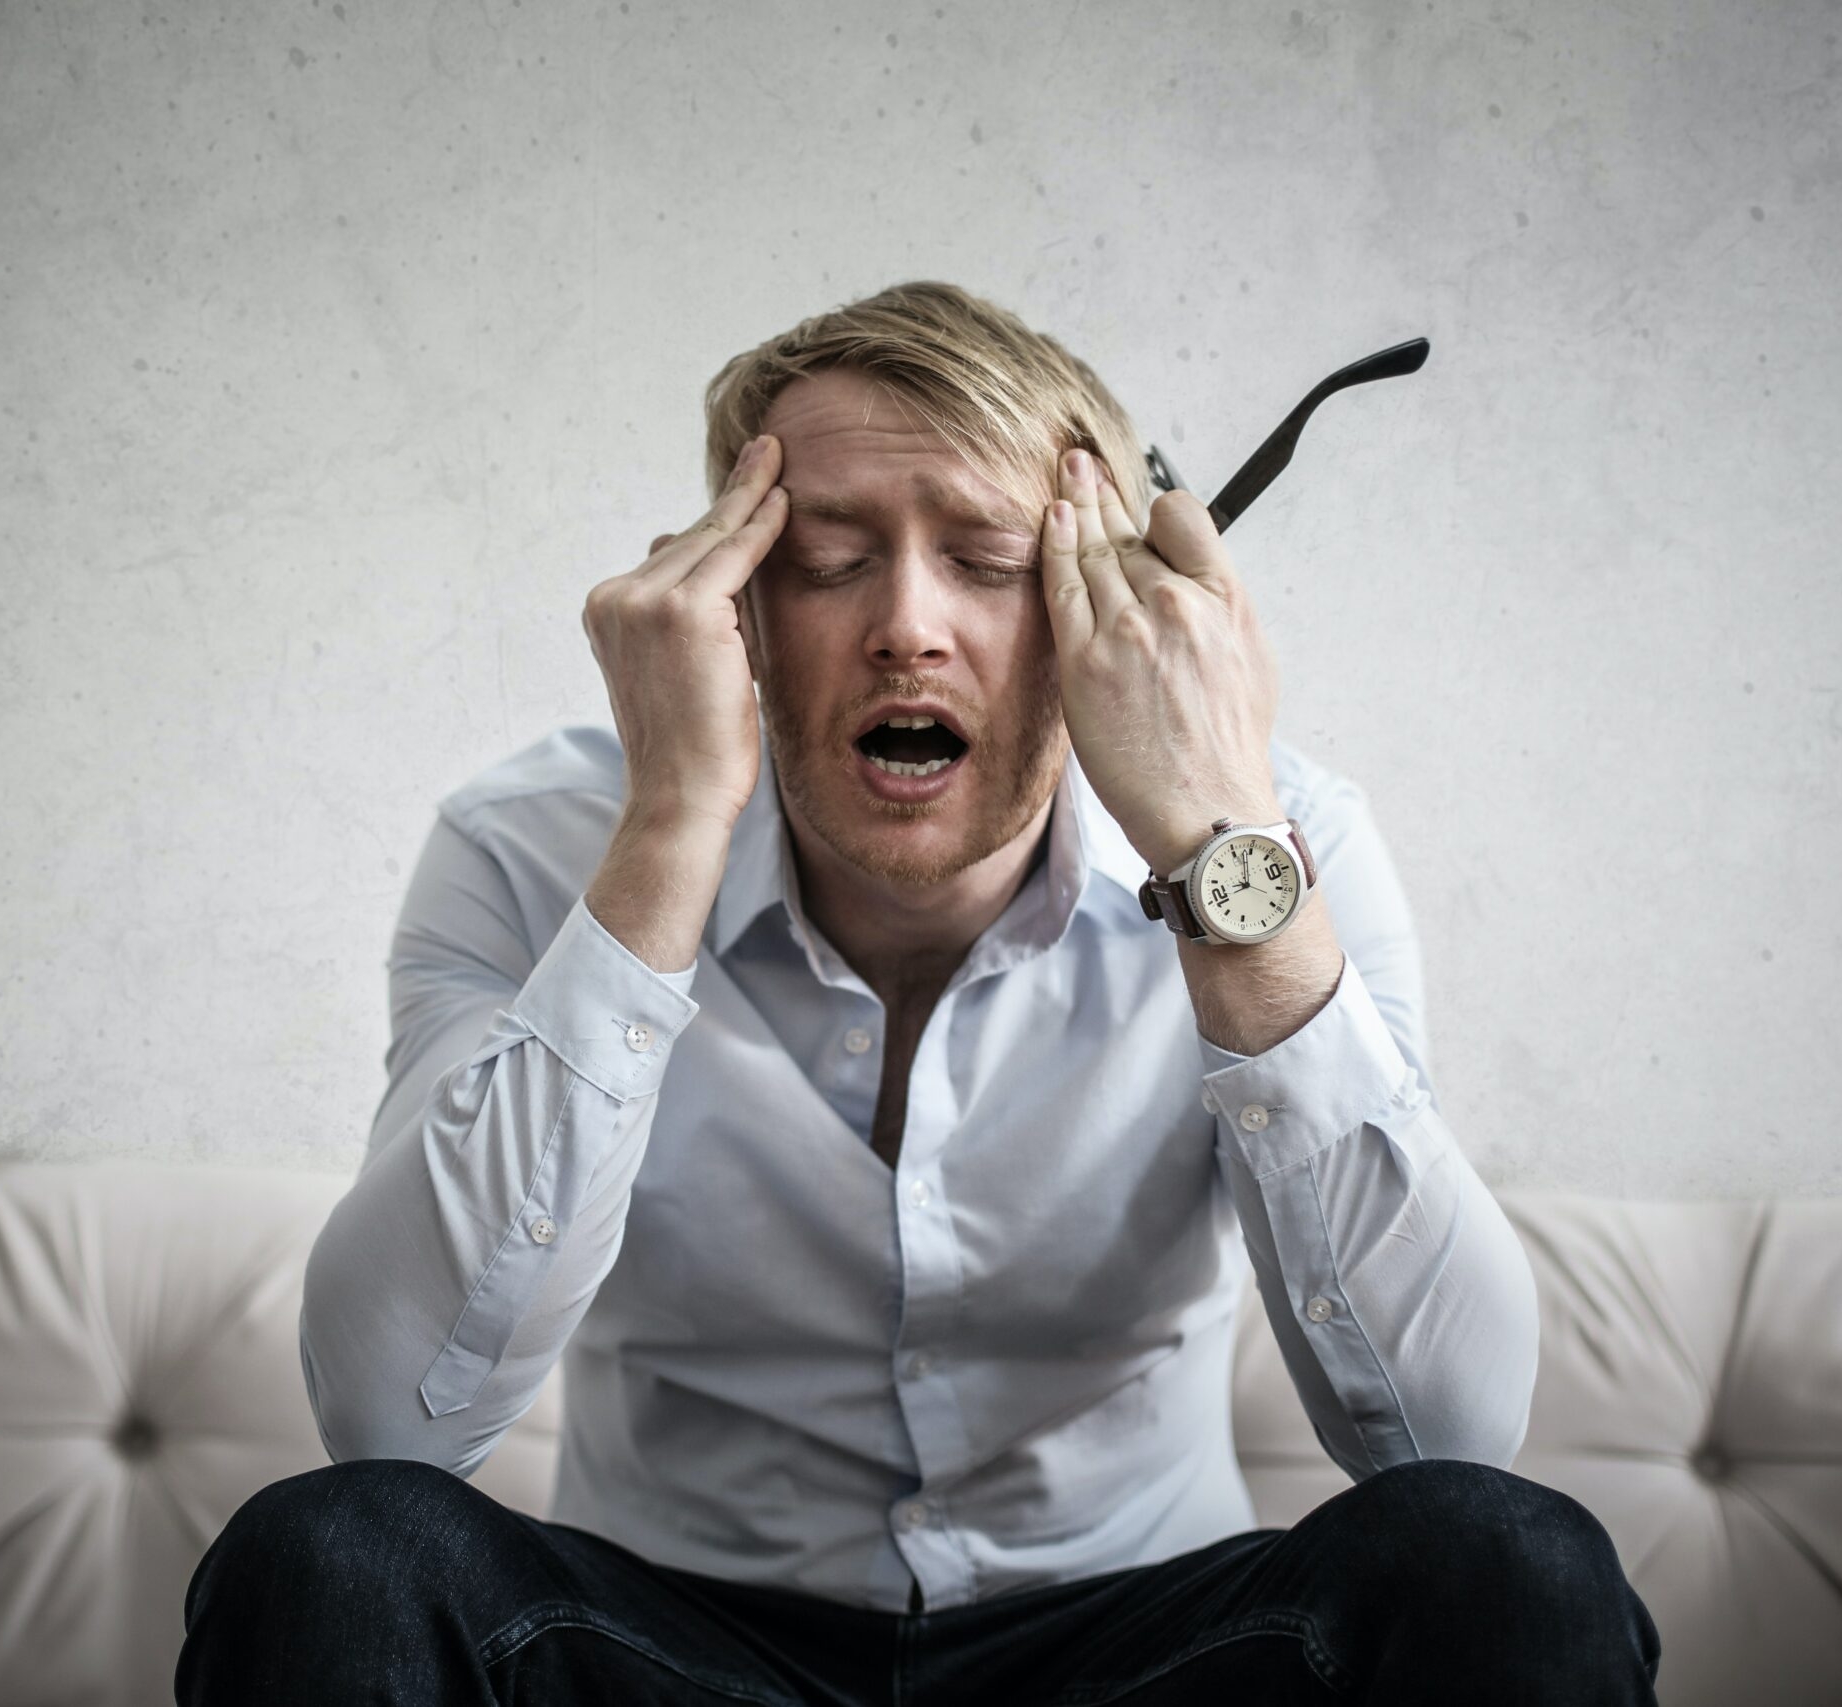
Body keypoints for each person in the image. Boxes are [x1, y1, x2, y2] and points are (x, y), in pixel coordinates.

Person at [178, 281, 1661, 1704]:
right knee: (332, 1558)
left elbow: (1452, 1435)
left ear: (1107, 609)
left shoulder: (1283, 850)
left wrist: (1222, 851)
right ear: (737, 612)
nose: (906, 626)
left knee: (1506, 1564)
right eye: (826, 562)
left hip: (1139, 1652)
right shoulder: (527, 848)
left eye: (993, 562)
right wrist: (670, 831)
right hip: (674, 1649)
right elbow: (385, 1421)